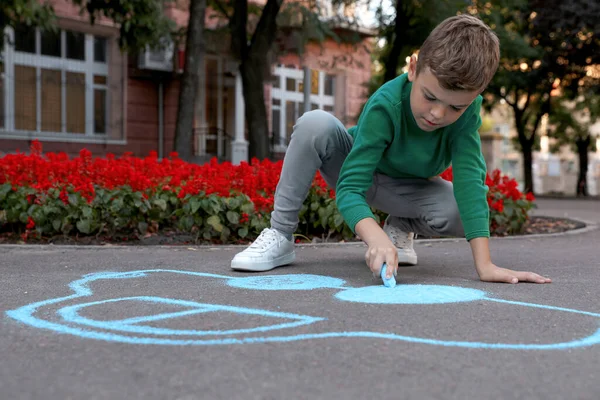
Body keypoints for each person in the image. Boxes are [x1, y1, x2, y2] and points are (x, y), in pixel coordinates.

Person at [231, 14, 552, 285]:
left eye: (454, 107)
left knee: (460, 211)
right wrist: (375, 239)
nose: (437, 114)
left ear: (474, 97)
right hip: (357, 171)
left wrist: (485, 267)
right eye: (429, 96)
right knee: (315, 123)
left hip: (405, 189)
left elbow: (471, 183)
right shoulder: (387, 104)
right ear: (413, 69)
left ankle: (401, 225)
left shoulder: (467, 114)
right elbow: (350, 188)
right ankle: (280, 236)